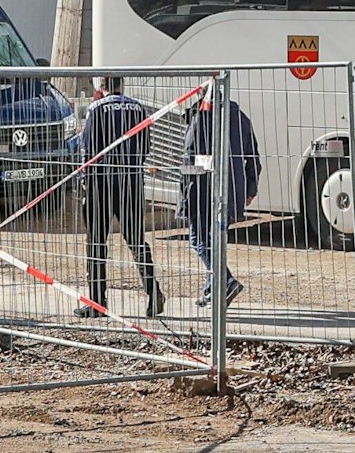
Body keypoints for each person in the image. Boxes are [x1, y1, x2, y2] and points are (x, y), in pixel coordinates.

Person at [77, 77, 163, 318]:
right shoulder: (138, 108)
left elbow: (88, 148)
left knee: (96, 242)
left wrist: (84, 178)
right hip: (131, 183)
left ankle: (97, 301)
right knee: (136, 240)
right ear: (121, 85)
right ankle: (152, 290)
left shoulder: (97, 108)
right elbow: (146, 146)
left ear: (100, 86)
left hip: (100, 183)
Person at [180, 94, 260, 309]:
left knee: (198, 240)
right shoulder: (239, 117)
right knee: (215, 240)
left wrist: (184, 193)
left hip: (202, 189)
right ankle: (211, 289)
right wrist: (250, 187)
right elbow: (253, 155)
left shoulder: (201, 118)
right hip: (232, 189)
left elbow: (189, 157)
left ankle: (226, 281)